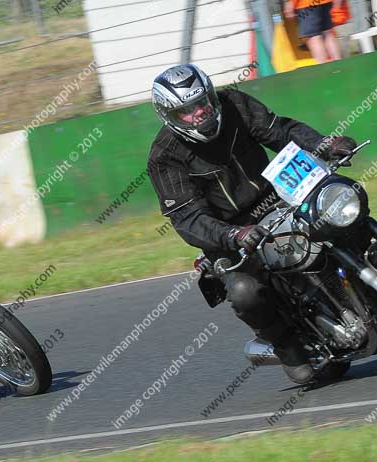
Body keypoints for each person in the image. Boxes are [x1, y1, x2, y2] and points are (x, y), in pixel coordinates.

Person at [147, 64, 356, 384]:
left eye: (202, 102)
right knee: (245, 292)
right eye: (186, 110)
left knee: (339, 206)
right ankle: (289, 348)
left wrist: (323, 144)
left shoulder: (234, 104)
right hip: (228, 232)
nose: (199, 112)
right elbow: (187, 218)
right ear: (169, 116)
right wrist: (233, 234)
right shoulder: (165, 157)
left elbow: (281, 131)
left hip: (278, 197)